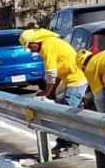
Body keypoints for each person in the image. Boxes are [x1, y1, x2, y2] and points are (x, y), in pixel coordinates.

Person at [19, 28, 88, 158]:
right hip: (70, 80)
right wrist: (51, 92)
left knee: (66, 115)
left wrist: (46, 92)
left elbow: (51, 73)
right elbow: (55, 75)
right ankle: (62, 142)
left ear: (35, 41)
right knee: (61, 112)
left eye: (29, 46)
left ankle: (71, 146)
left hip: (76, 81)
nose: (30, 49)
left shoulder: (47, 46)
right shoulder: (49, 43)